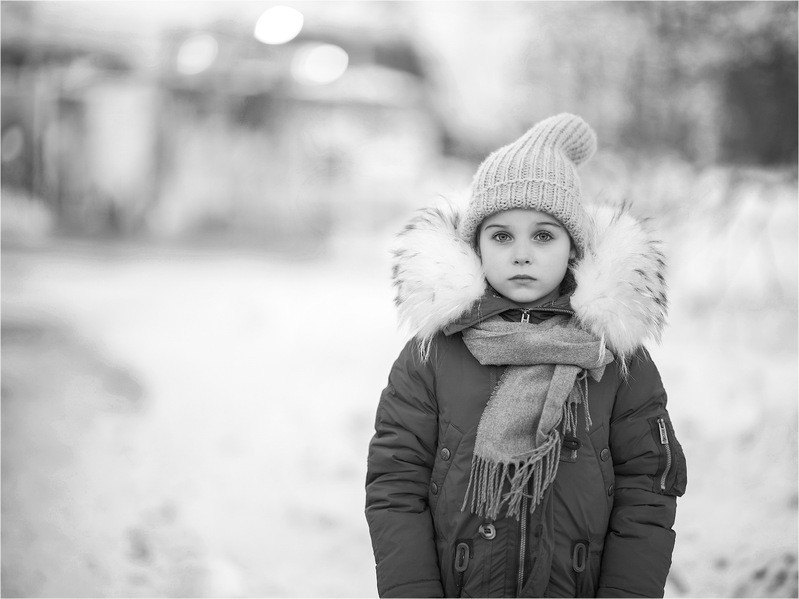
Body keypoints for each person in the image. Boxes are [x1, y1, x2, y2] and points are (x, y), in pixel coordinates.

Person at [365, 113, 687, 598]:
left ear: (573, 246)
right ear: (476, 245)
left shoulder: (615, 360)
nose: (521, 254)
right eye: (501, 235)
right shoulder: (433, 354)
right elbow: (395, 483)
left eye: (542, 235)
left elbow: (648, 490)